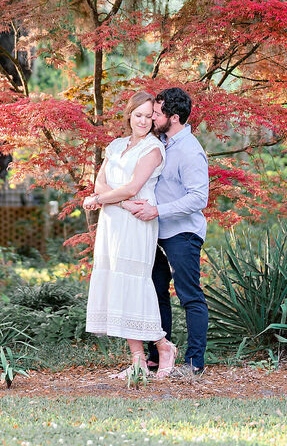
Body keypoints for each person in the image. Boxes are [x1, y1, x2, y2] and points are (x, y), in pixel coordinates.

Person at [83, 90, 179, 380]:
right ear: (129, 115)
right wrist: (117, 202)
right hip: (114, 220)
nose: (144, 121)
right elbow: (99, 183)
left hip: (137, 223)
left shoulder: (153, 149)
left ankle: (163, 345)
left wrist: (108, 200)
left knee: (135, 284)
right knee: (116, 282)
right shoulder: (115, 146)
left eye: (150, 116)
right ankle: (137, 360)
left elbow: (132, 188)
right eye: (139, 115)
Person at [121, 87, 209, 377]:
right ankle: (156, 357)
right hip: (152, 233)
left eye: (157, 113)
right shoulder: (160, 143)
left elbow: (199, 199)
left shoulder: (190, 150)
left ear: (173, 117)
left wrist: (158, 211)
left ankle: (194, 364)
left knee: (189, 296)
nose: (151, 117)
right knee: (155, 294)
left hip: (182, 234)